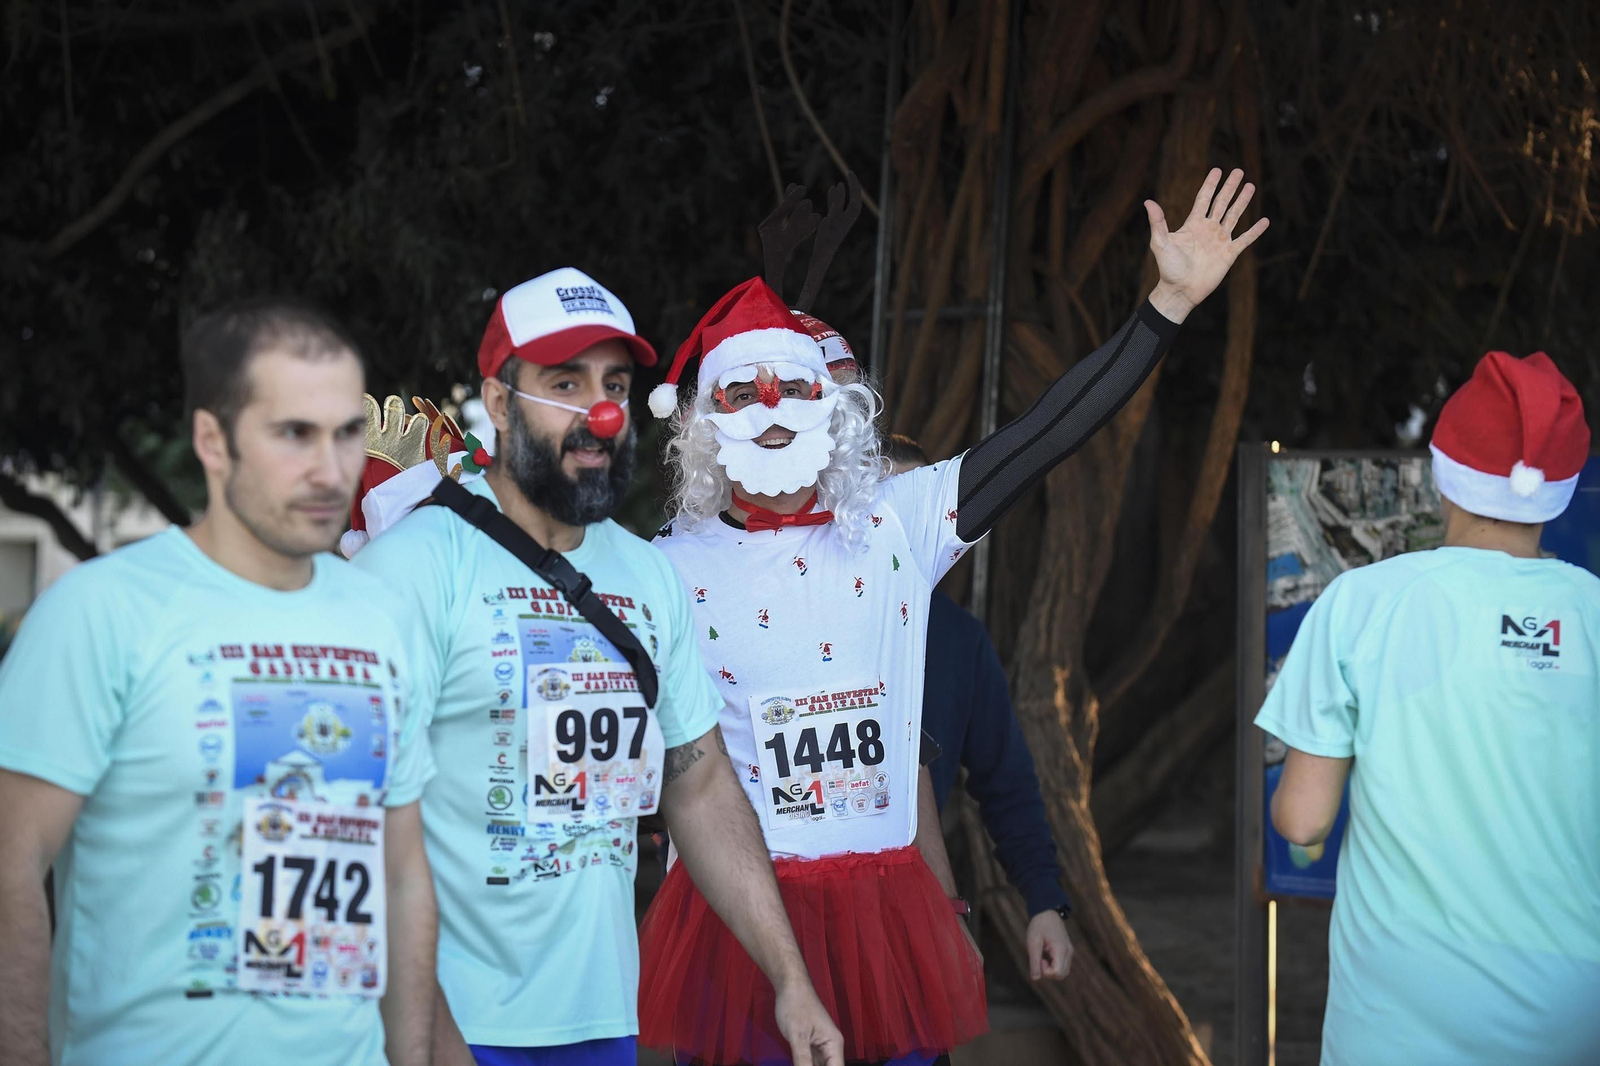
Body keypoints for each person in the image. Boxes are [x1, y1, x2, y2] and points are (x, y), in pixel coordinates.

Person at [639, 167, 1267, 1066]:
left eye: (794, 388)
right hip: (742, 925)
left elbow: (1048, 431)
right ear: (704, 422)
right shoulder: (663, 569)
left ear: (837, 410)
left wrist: (1166, 305)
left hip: (884, 918)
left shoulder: (898, 522)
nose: (771, 409)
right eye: (743, 393)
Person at [349, 268, 843, 1066]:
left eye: (614, 384)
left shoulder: (648, 577)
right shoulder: (412, 569)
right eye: (565, 384)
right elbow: (348, 821)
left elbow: (699, 787)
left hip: (600, 1023)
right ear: (499, 402)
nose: (601, 412)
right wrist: (431, 1040)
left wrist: (790, 978)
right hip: (443, 1027)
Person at [0, 298, 438, 1066]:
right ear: (212, 440)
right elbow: (11, 867)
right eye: (293, 433)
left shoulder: (383, 615)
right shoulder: (99, 611)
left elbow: (401, 877)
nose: (330, 469)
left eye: (346, 433)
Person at [1259, 350, 1600, 1066]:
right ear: (1562, 489)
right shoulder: (1592, 613)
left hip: (1399, 1008)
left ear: (1444, 472)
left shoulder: (1362, 603)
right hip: (1576, 1005)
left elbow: (1303, 819)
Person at [873, 433, 1073, 984]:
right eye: (883, 511)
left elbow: (1005, 780)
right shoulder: (803, 625)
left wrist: (1044, 901)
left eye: (915, 512)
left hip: (916, 906)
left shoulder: (961, 639)